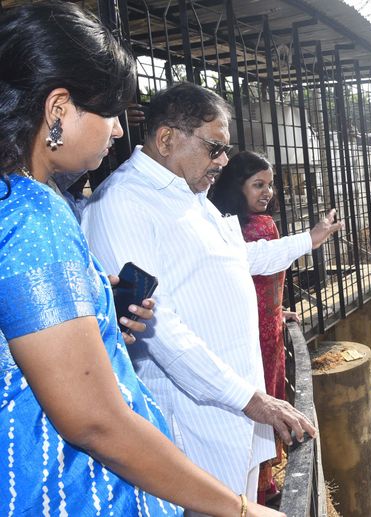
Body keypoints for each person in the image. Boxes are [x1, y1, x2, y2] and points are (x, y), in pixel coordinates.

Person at [0, 3, 281, 515]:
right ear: (58, 109)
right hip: (67, 489)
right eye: (108, 113)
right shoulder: (35, 213)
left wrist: (95, 309)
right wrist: (240, 509)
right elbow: (94, 419)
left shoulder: (23, 200)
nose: (115, 131)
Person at [81, 82, 343, 506]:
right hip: (193, 417)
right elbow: (157, 326)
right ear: (167, 139)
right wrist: (248, 398)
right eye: (214, 148)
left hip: (236, 409)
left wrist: (309, 240)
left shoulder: (190, 196)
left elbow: (239, 257)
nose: (223, 162)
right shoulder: (123, 204)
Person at [209, 151, 296, 501]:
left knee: (259, 405)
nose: (267, 192)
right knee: (264, 403)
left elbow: (265, 280)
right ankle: (262, 489)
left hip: (261, 328)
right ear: (236, 186)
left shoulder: (227, 225)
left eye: (270, 184)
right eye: (258, 184)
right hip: (259, 335)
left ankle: (256, 487)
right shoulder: (256, 227)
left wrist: (278, 308)